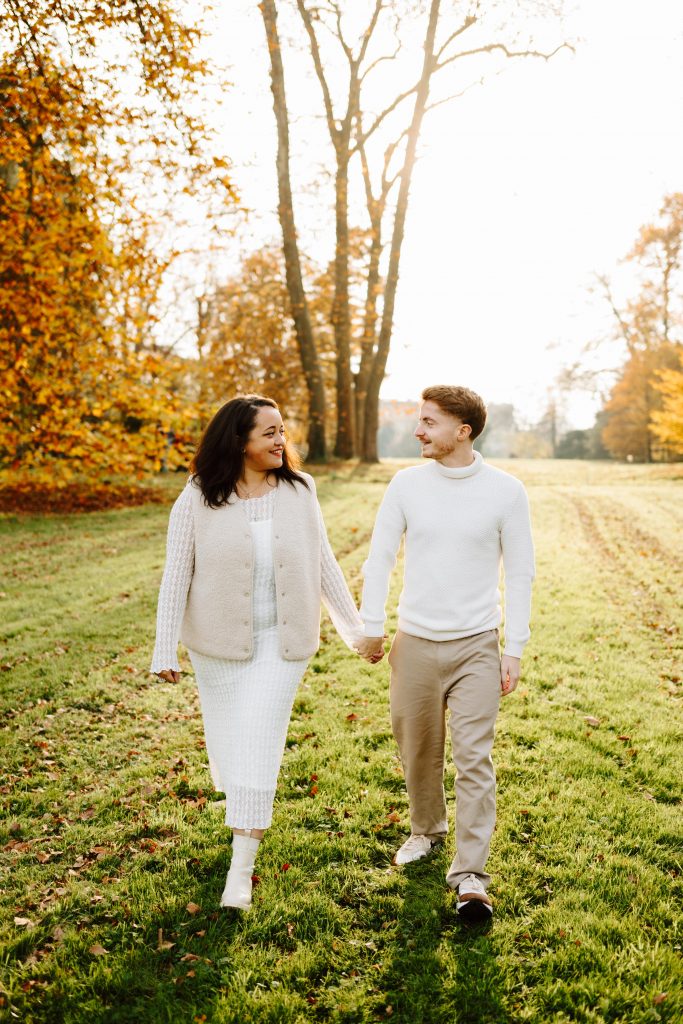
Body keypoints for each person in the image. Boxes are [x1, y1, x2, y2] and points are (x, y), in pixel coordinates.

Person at [151, 395, 381, 911]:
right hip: (218, 646)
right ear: (239, 441)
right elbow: (176, 574)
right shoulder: (198, 496)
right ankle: (239, 798)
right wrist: (165, 646)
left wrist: (356, 630)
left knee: (258, 739)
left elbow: (323, 563)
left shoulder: (301, 491)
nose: (282, 441)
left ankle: (241, 869)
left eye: (283, 431)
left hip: (284, 642)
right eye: (269, 433)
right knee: (231, 749)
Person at [359, 385, 535, 923]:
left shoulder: (506, 491)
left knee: (474, 759)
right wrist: (372, 624)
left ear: (463, 430)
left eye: (429, 422)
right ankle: (425, 831)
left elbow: (521, 571)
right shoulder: (407, 484)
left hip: (478, 645)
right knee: (418, 750)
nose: (418, 431)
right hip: (414, 642)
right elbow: (381, 556)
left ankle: (471, 875)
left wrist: (515, 648)